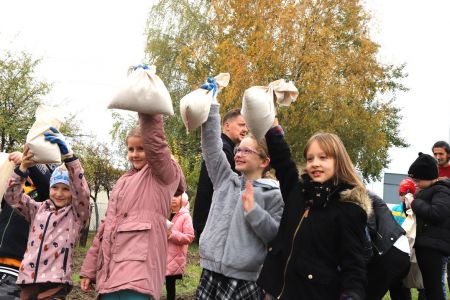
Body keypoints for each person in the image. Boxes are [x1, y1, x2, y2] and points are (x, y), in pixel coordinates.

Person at [257, 119, 371, 299]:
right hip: (273, 289)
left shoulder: (349, 209)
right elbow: (283, 162)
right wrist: (272, 128)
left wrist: (352, 294)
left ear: (338, 161)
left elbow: (354, 264)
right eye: (310, 158)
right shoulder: (298, 192)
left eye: (323, 157)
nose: (315, 163)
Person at [80, 112, 185, 299]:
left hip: (139, 272)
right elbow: (105, 227)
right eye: (131, 149)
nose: (134, 154)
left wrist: (148, 109)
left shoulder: (161, 176)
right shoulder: (122, 181)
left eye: (141, 149)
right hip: (111, 272)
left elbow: (157, 146)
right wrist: (89, 270)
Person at [195, 95, 284, 299]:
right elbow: (211, 147)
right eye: (238, 149)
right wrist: (211, 106)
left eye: (246, 150)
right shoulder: (225, 180)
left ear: (264, 161)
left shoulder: (274, 194)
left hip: (244, 280)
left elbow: (274, 237)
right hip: (211, 270)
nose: (238, 153)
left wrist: (254, 212)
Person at [4, 128, 90, 299]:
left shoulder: (76, 215)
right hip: (28, 280)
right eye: (55, 187)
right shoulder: (37, 209)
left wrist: (70, 158)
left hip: (55, 282)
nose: (59, 193)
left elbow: (82, 191)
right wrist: (23, 167)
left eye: (66, 189)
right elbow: (12, 197)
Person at [0, 153, 54, 300]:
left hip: (19, 266)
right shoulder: (11, 192)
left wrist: (30, 161)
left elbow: (47, 181)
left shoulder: (45, 197)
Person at [192, 108, 247, 240]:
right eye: (241, 124)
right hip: (213, 224)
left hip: (210, 222)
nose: (245, 129)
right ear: (227, 125)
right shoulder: (223, 150)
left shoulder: (229, 149)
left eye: (246, 125)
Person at [407, 152, 450, 300]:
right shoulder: (427, 191)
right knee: (429, 288)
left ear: (429, 176)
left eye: (418, 180)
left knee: (434, 288)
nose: (416, 183)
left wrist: (414, 202)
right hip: (427, 245)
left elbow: (437, 213)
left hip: (434, 247)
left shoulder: (442, 190)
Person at [366, 191, 410, 300]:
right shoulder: (367, 195)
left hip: (389, 251)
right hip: (399, 249)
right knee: (399, 294)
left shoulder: (361, 196)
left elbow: (369, 229)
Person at [165, 192, 194, 300]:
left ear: (183, 199)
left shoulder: (185, 216)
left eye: (176, 196)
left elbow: (189, 237)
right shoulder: (164, 213)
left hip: (174, 258)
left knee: (170, 287)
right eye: (171, 195)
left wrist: (171, 234)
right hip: (160, 256)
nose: (173, 198)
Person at [431, 141, 450, 297]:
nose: (437, 157)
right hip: (438, 228)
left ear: (448, 154)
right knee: (439, 277)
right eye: (435, 154)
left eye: (441, 154)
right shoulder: (431, 170)